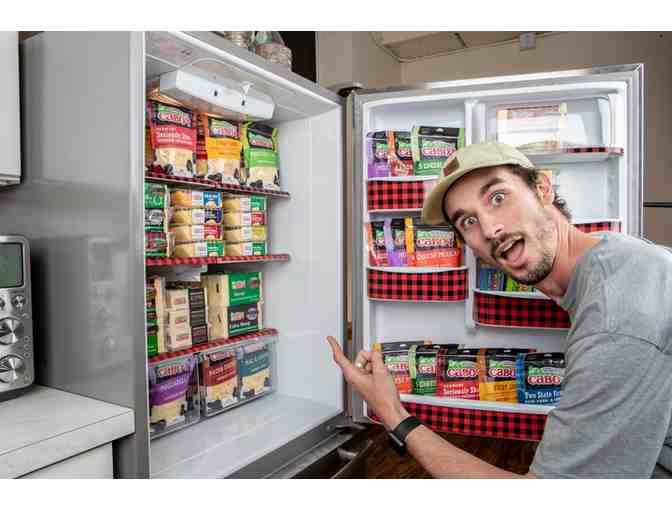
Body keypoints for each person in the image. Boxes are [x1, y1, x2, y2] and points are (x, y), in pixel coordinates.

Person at [326, 142, 672, 478]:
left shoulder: (615, 319)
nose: (490, 230)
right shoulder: (613, 253)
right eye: (468, 222)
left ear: (542, 189)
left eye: (498, 198)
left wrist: (392, 413)